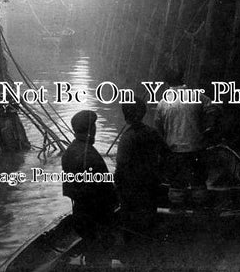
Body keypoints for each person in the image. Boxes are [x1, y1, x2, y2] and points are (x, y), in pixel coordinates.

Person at [154, 69, 219, 206]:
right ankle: (199, 212)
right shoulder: (197, 96)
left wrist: (162, 152)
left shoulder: (162, 103)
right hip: (196, 148)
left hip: (174, 150)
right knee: (199, 184)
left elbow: (158, 131)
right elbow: (213, 109)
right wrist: (209, 128)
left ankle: (177, 212)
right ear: (183, 79)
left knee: (177, 185)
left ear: (167, 83)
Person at [61, 110, 117, 265]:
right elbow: (108, 193)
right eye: (94, 126)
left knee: (91, 251)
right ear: (91, 129)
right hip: (96, 218)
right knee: (101, 257)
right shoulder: (92, 156)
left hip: (79, 214)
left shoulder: (68, 153)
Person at [115, 99, 170, 237]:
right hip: (150, 184)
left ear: (126, 116)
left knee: (130, 220)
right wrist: (159, 172)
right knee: (149, 214)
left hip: (131, 187)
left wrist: (117, 186)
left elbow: (121, 166)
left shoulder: (126, 138)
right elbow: (166, 153)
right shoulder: (152, 132)